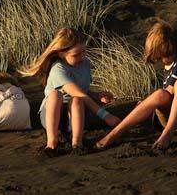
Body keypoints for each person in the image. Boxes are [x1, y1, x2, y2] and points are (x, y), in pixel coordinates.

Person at [95, 20, 177, 151]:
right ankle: (114, 133)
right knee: (161, 94)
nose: (161, 61)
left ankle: (167, 134)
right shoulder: (169, 64)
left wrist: (148, 103)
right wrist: (146, 104)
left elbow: (171, 91)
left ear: (172, 48)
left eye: (162, 57)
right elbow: (165, 96)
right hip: (170, 119)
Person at [20, 27, 120, 156]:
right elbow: (77, 92)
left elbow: (83, 92)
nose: (82, 56)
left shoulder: (85, 64)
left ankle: (77, 143)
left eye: (84, 51)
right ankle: (52, 142)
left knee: (77, 99)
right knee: (56, 95)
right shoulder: (58, 68)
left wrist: (97, 95)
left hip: (74, 117)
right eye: (76, 54)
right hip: (51, 116)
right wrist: (106, 116)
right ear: (61, 53)